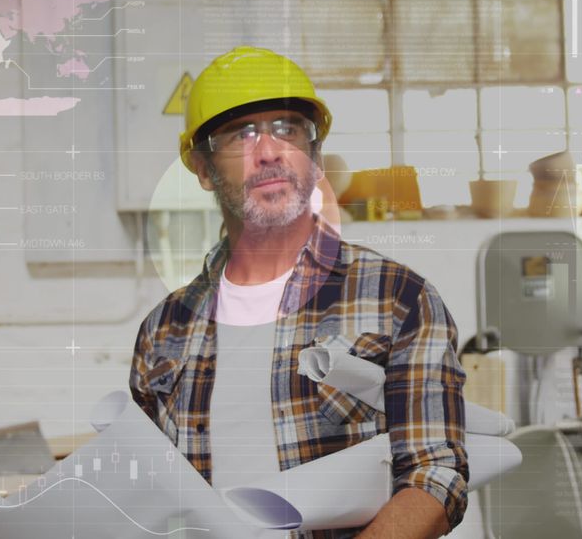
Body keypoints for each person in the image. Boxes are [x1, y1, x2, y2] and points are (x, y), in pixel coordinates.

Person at [129, 46, 468, 539]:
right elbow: (149, 499)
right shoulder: (164, 330)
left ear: (315, 156)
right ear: (202, 169)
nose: (268, 151)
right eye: (241, 134)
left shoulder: (397, 298)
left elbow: (435, 477)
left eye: (287, 129)